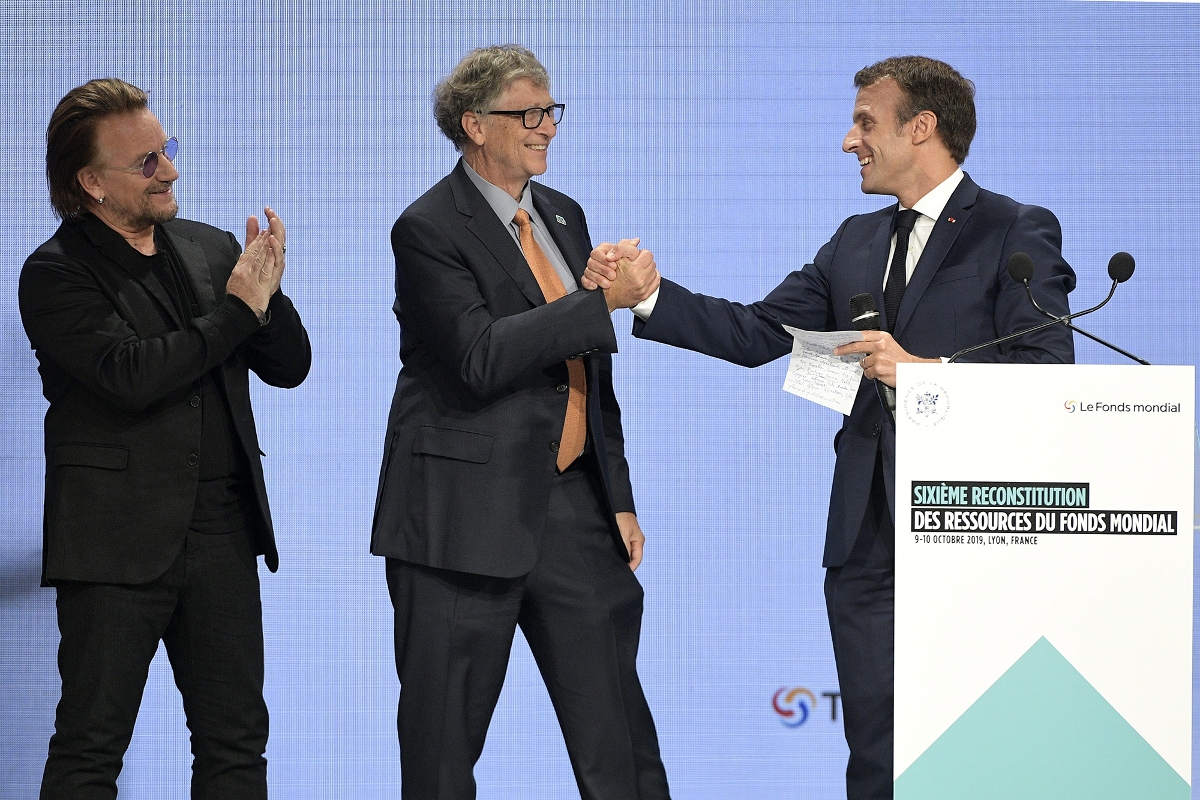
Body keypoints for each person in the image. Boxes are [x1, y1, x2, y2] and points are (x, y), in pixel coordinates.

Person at [584, 56, 1076, 800]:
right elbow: (755, 332)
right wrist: (648, 296)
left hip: (981, 530)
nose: (850, 141)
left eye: (865, 123)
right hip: (866, 540)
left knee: (982, 748)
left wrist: (923, 372)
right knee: (875, 754)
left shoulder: (1012, 228)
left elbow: (1046, 370)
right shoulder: (854, 241)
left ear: (923, 127)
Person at [369, 45, 670, 800]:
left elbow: (590, 371)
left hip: (573, 508)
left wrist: (619, 494)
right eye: (528, 114)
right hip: (459, 523)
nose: (546, 128)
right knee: (441, 750)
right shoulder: (428, 228)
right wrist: (596, 303)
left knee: (622, 743)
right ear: (475, 125)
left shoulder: (563, 214)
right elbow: (478, 356)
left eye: (550, 111)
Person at [19, 77, 311, 799]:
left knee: (237, 745)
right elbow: (131, 376)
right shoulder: (55, 275)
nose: (170, 171)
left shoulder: (211, 248)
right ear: (90, 182)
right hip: (114, 543)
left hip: (221, 532)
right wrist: (240, 311)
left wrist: (267, 293)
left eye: (167, 150)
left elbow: (291, 367)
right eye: (146, 162)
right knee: (91, 749)